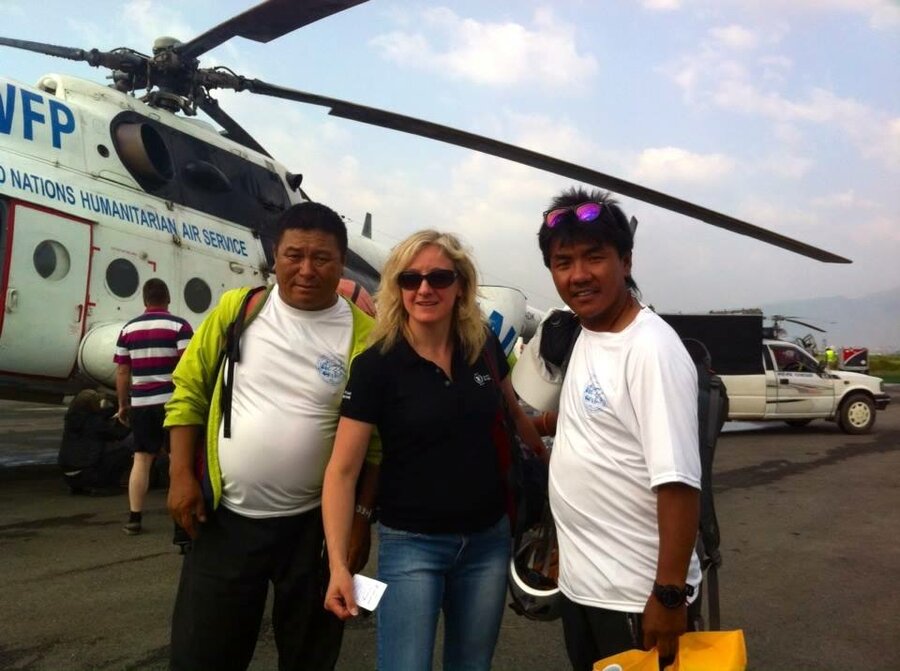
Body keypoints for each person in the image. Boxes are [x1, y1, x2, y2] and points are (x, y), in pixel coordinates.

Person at [164, 201, 380, 671]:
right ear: (274, 258)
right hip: (226, 520)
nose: (306, 270)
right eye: (293, 255)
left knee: (309, 656)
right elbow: (188, 393)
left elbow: (376, 446)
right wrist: (181, 474)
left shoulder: (367, 337)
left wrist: (359, 521)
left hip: (314, 531)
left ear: (342, 263)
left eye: (321, 258)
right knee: (202, 655)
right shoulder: (238, 311)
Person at [322, 230, 546, 671]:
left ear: (460, 285)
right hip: (412, 545)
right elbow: (342, 471)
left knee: (472, 665)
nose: (424, 289)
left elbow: (515, 417)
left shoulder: (481, 348)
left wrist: (553, 473)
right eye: (411, 279)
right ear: (398, 287)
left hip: (488, 541)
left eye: (439, 278)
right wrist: (337, 565)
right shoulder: (376, 365)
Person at [535, 188, 701, 669]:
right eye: (563, 261)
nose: (579, 274)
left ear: (625, 261)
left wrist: (669, 597)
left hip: (633, 594)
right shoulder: (589, 333)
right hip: (586, 587)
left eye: (594, 257)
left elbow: (678, 483)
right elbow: (594, 432)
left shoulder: (650, 349)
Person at [114, 278, 193, 535]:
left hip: (141, 403)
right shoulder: (179, 327)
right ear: (167, 299)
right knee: (176, 458)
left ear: (145, 300)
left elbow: (123, 371)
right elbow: (187, 367)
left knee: (141, 459)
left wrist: (123, 404)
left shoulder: (128, 329)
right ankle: (179, 520)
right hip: (172, 403)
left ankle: (134, 518)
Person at [58, 389, 132, 495]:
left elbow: (100, 414)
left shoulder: (71, 419)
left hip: (67, 475)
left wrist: (116, 408)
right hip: (88, 475)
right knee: (124, 452)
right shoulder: (96, 423)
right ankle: (108, 484)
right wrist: (129, 421)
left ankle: (78, 487)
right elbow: (120, 434)